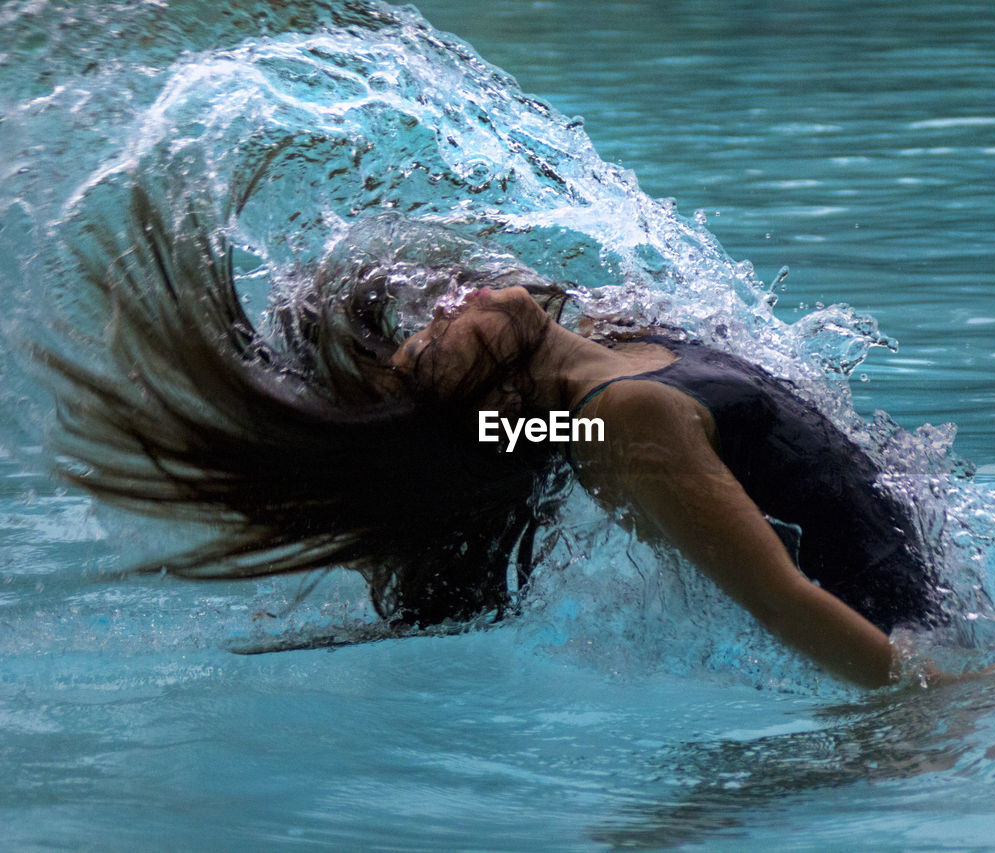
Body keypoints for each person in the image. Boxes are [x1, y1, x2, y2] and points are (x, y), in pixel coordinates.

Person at [42, 185, 943, 688]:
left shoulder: (620, 347)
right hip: (911, 660)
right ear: (476, 394)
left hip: (926, 619)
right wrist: (938, 696)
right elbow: (779, 600)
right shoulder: (625, 419)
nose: (439, 311)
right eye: (427, 346)